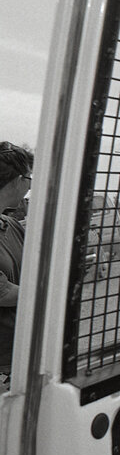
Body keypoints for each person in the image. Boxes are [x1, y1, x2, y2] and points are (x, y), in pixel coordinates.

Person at [0, 142, 32, 388]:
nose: (30, 185)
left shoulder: (11, 225)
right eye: (28, 177)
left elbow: (31, 270)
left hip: (23, 352)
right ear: (16, 180)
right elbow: (5, 293)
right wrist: (51, 293)